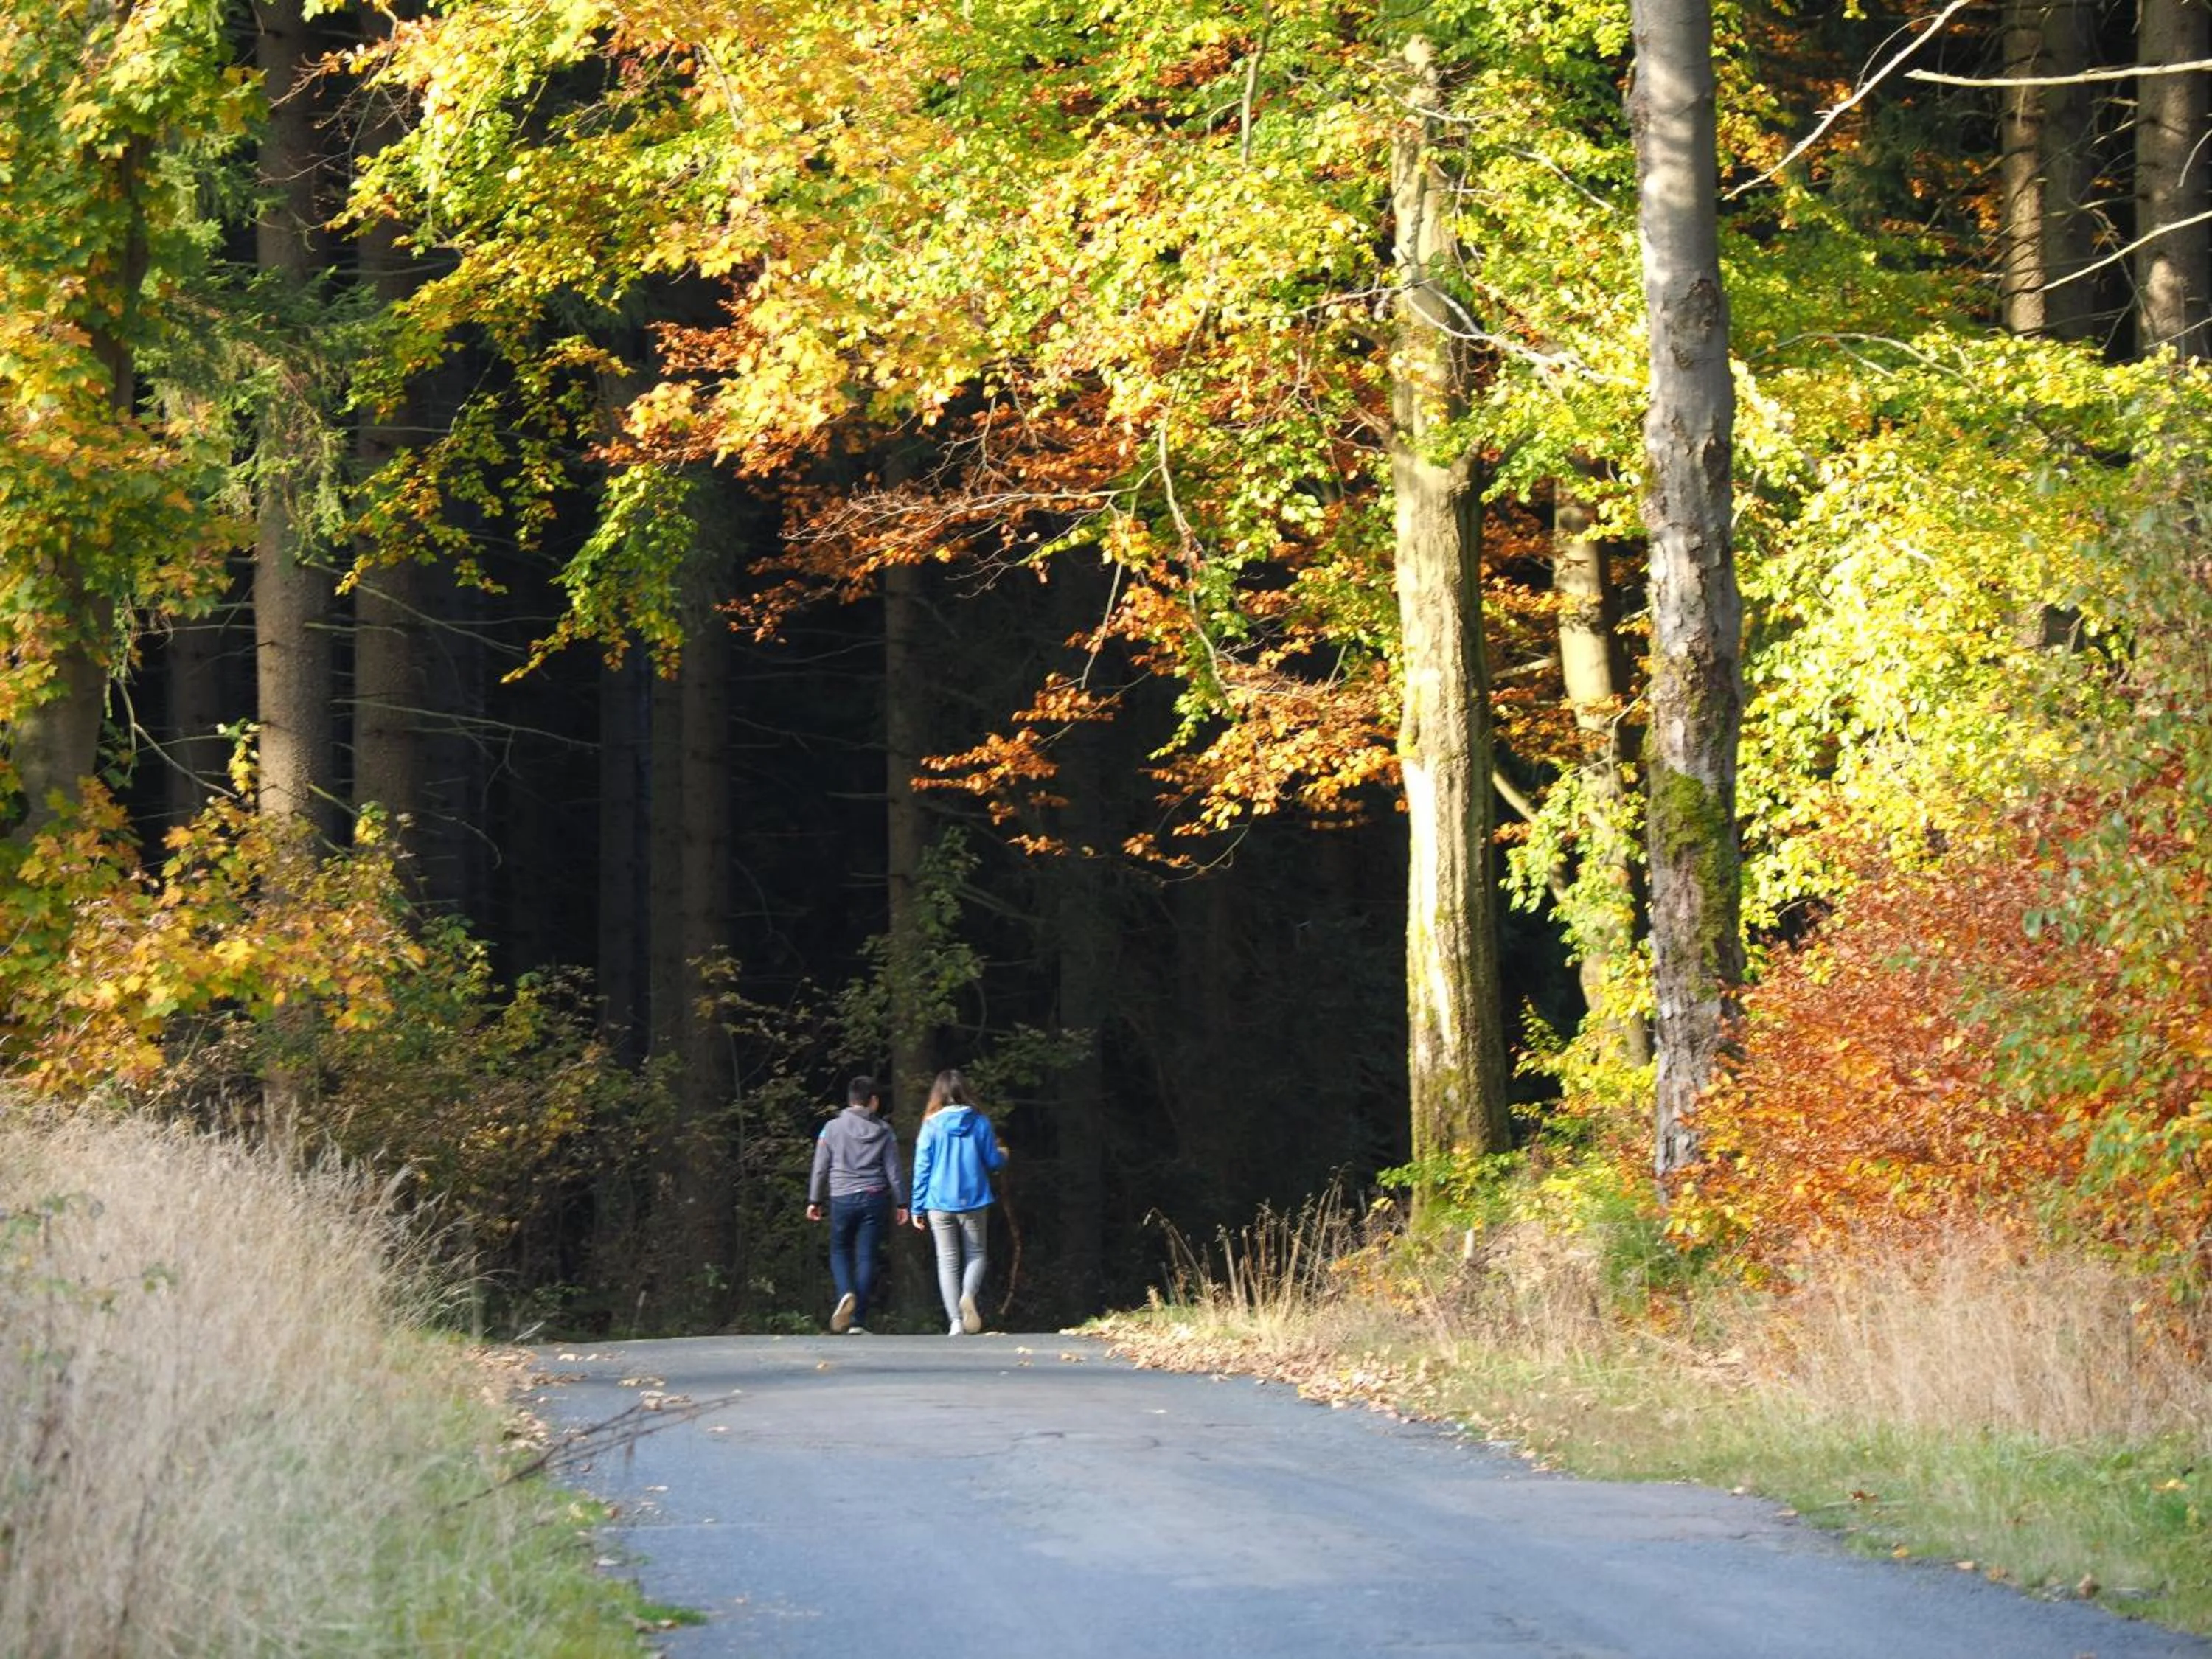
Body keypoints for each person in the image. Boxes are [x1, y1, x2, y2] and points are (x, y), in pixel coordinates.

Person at [908, 1068, 1008, 1335]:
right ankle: (968, 1294)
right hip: (974, 1199)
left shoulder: (930, 1125)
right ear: (966, 1091)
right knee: (976, 1254)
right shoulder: (980, 1122)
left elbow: (922, 1168)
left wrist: (916, 1206)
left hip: (938, 1201)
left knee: (947, 1261)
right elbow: (992, 1161)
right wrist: (1003, 1155)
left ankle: (955, 1321)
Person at [806, 1075, 908, 1334]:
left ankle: (845, 1294)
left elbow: (820, 1168)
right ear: (873, 1101)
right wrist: (903, 1202)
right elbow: (894, 1170)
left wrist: (814, 1200)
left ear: (850, 1100)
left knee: (839, 1250)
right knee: (866, 1257)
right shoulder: (885, 1131)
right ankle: (857, 1320)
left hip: (841, 1197)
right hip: (874, 1198)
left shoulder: (830, 1128)